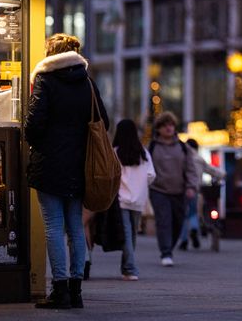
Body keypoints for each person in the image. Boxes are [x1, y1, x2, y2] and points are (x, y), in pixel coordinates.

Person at [26, 33, 109, 309]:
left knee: (53, 225)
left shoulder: (45, 80)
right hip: (80, 165)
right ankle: (76, 291)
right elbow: (103, 121)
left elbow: (34, 124)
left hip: (49, 164)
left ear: (51, 53)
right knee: (75, 225)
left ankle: (58, 289)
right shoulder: (87, 82)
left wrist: (39, 143)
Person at [148, 111, 199, 267]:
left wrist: (191, 186)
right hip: (158, 190)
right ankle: (166, 252)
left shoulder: (183, 148)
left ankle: (169, 246)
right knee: (164, 221)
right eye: (164, 125)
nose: (168, 128)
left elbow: (191, 169)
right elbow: (146, 168)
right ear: (158, 129)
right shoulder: (152, 147)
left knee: (177, 222)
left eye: (171, 124)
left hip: (179, 191)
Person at [114, 119, 156, 281]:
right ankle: (127, 267)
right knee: (132, 234)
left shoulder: (115, 152)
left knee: (126, 232)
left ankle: (130, 268)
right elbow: (151, 175)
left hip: (121, 198)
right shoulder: (144, 153)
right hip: (139, 199)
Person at [177, 138, 225, 251]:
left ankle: (184, 240)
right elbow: (212, 170)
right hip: (194, 189)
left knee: (184, 214)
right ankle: (194, 228)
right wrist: (222, 175)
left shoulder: (182, 157)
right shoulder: (199, 159)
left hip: (181, 189)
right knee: (193, 212)